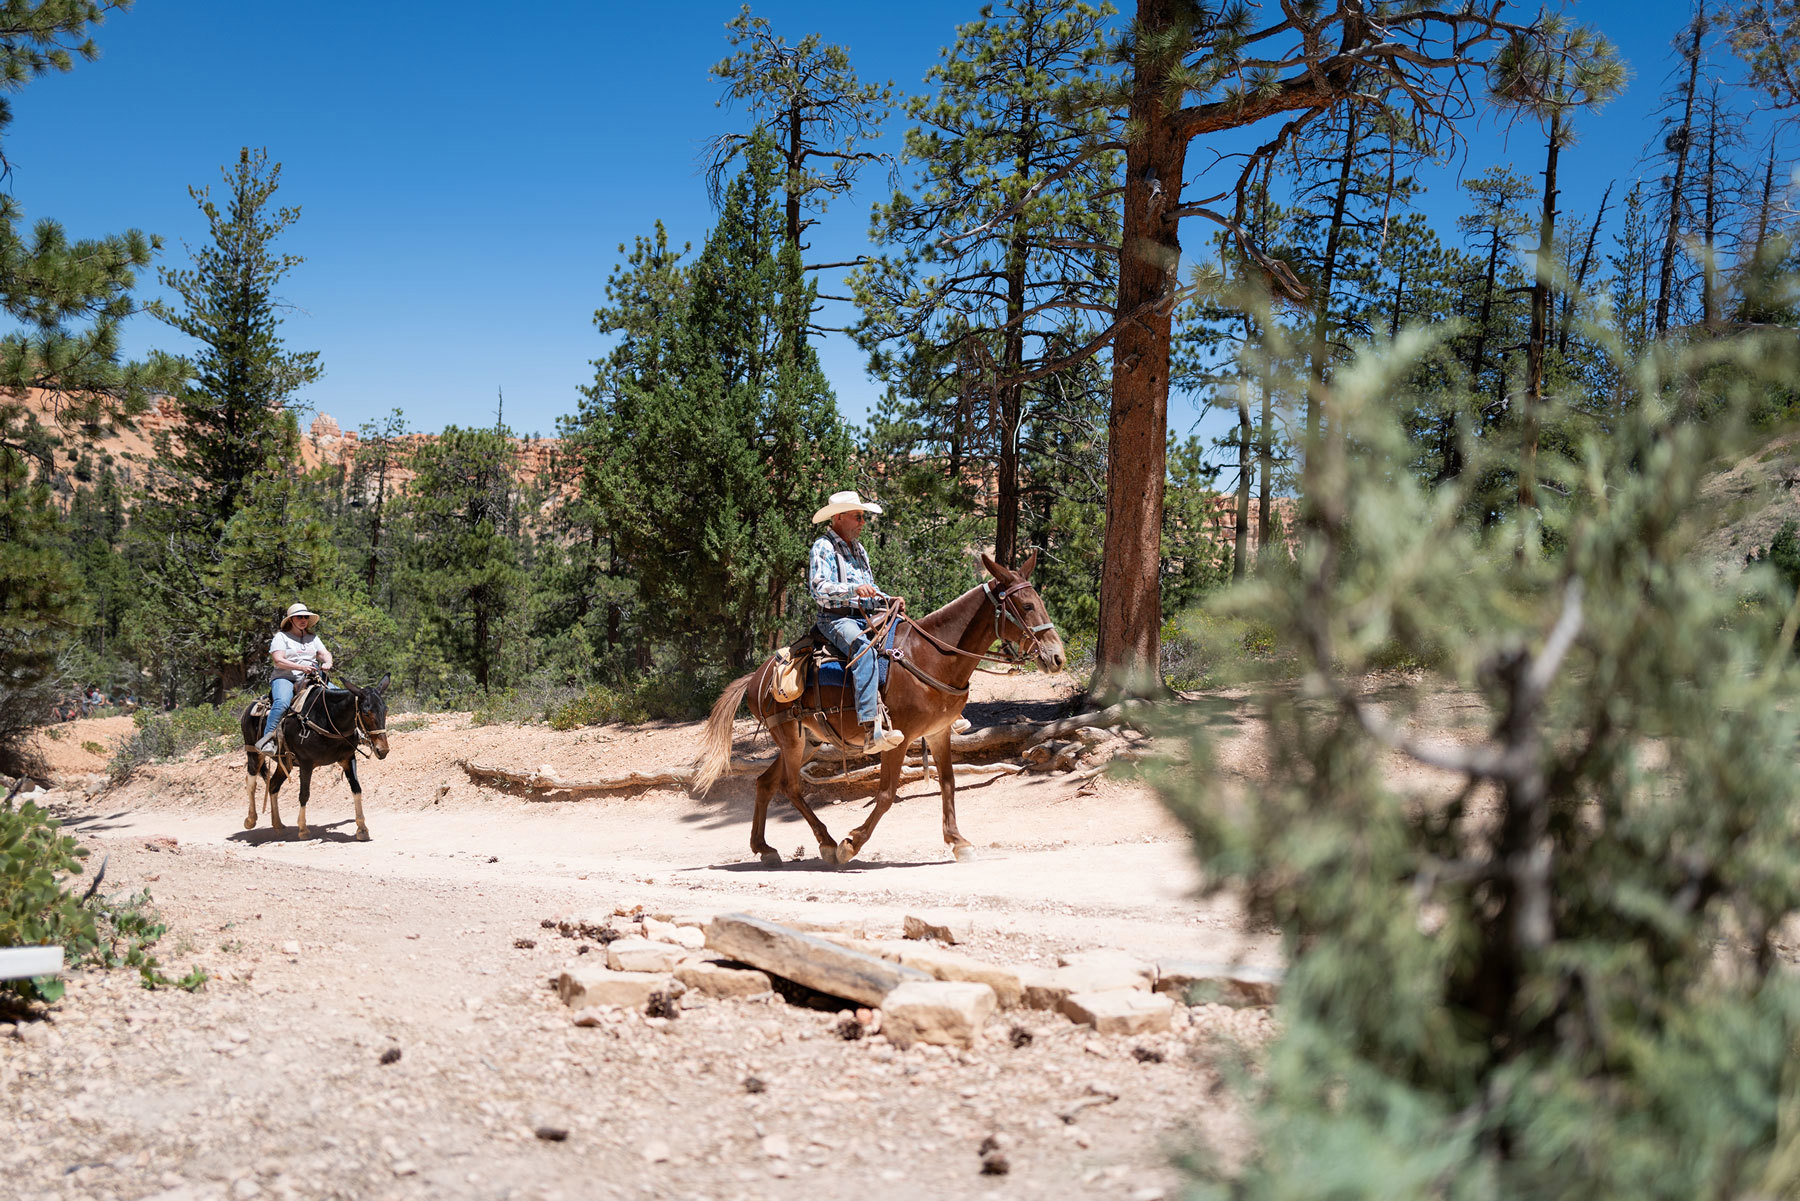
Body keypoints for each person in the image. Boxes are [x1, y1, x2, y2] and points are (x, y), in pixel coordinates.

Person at [809, 490, 906, 753]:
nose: (863, 523)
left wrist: (888, 600)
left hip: (864, 615)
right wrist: (853, 591)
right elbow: (818, 588)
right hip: (835, 619)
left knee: (905, 640)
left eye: (863, 517)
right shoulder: (824, 546)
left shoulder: (859, 549)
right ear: (839, 517)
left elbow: (870, 588)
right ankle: (870, 727)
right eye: (858, 517)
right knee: (864, 650)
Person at [255, 602, 334, 754]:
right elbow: (278, 660)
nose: (303, 619)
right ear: (291, 620)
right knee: (283, 702)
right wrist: (301, 667)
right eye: (299, 617)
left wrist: (328, 662)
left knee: (337, 696)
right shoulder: (281, 637)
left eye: (305, 616)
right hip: (285, 678)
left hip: (310, 677)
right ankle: (267, 740)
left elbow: (324, 653)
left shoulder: (313, 637)